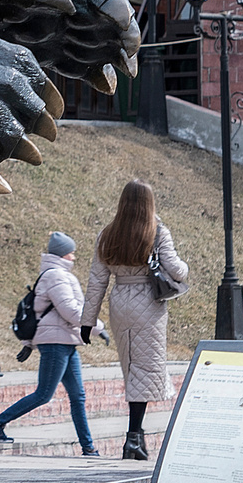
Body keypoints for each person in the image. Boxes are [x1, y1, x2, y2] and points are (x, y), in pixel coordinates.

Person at [80, 180, 188, 461]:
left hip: (120, 302)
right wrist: (185, 267)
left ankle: (136, 439)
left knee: (132, 368)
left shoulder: (107, 234)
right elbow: (176, 271)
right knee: (145, 369)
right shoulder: (157, 232)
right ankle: (133, 439)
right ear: (149, 204)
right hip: (148, 303)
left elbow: (97, 281)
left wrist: (87, 322)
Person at [0, 231, 97, 455]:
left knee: (78, 396)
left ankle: (88, 448)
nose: (74, 257)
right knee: (44, 394)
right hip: (55, 343)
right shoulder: (56, 276)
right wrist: (97, 327)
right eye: (71, 253)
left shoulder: (57, 274)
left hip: (66, 342)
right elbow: (69, 310)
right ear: (62, 254)